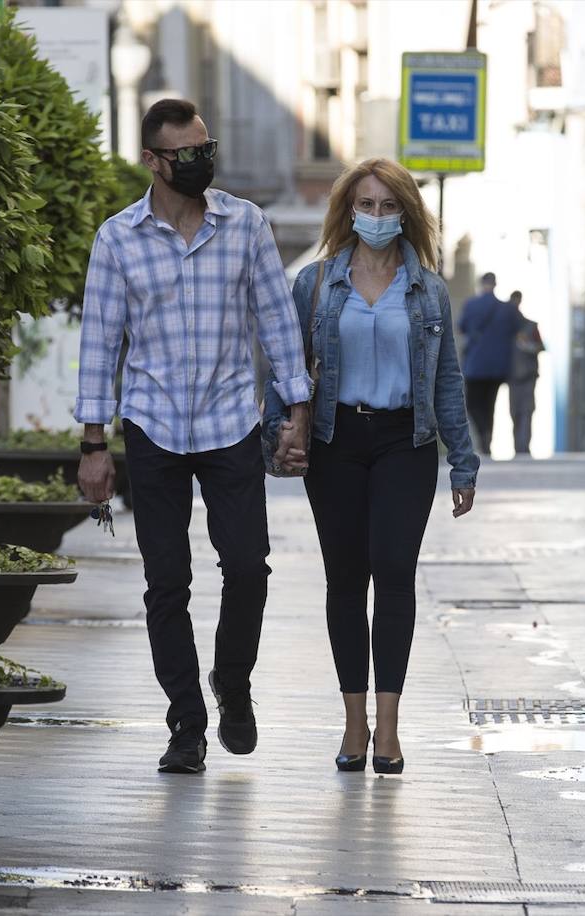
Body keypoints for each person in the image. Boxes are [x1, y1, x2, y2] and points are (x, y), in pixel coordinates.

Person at [75, 99, 313, 774]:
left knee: (246, 566)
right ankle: (186, 724)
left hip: (230, 418)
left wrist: (296, 414)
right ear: (152, 160)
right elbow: (100, 344)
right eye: (186, 154)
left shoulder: (246, 225)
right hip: (152, 424)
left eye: (206, 148)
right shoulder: (117, 239)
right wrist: (94, 447)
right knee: (166, 583)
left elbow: (275, 323)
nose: (201, 162)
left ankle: (232, 682)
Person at [263, 158, 479, 775]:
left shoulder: (429, 289)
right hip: (336, 440)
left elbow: (446, 381)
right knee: (345, 577)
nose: (377, 217)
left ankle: (388, 726)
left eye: (389, 207)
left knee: (393, 570)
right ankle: (353, 721)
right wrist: (278, 433)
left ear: (405, 213)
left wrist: (463, 462)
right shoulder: (317, 282)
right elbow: (285, 363)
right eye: (367, 205)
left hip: (404, 443)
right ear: (348, 211)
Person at [458, 272, 519, 454]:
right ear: (495, 284)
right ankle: (487, 438)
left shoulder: (471, 305)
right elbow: (516, 329)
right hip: (498, 367)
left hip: (476, 365)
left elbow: (461, 327)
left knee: (473, 404)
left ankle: (483, 431)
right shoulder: (507, 309)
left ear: (481, 284)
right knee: (490, 404)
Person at [507, 290, 544, 457]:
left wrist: (527, 345)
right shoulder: (506, 330)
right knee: (515, 411)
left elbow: (540, 347)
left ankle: (524, 447)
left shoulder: (531, 325)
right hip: (512, 376)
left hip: (528, 375)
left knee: (527, 410)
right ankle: (518, 446)